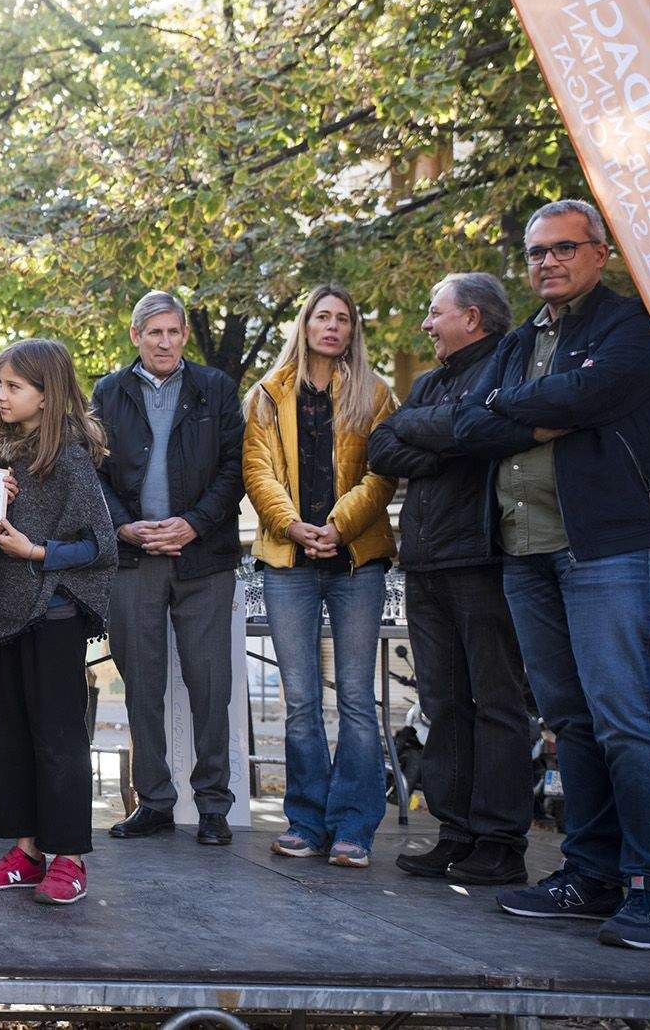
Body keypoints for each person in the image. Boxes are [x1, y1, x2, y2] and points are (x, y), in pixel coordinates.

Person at [454, 199, 650, 950]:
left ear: (600, 253)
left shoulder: (633, 322)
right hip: (527, 551)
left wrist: (527, 406)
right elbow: (468, 421)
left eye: (562, 249)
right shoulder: (522, 340)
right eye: (535, 253)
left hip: (610, 549)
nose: (547, 262)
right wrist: (528, 408)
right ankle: (591, 875)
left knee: (628, 721)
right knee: (571, 724)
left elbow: (594, 393)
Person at [367, 273, 533, 885]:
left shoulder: (510, 363)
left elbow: (491, 430)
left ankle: (500, 841)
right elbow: (381, 445)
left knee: (497, 703)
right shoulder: (431, 383)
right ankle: (455, 832)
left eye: (435, 313)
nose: (427, 325)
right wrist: (446, 443)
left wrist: (438, 432)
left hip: (483, 559)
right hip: (426, 560)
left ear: (474, 317)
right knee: (442, 705)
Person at [243, 284, 396, 869]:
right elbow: (257, 471)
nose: (333, 327)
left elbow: (383, 474)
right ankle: (306, 822)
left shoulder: (376, 394)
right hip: (288, 564)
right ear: (304, 325)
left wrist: (335, 525)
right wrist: (293, 525)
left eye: (344, 320)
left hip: (357, 560)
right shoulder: (265, 395)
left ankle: (354, 827)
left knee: (357, 699)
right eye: (322, 317)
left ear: (353, 331)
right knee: (302, 699)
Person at [0, 340, 117, 905]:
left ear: (46, 395)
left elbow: (101, 547)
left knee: (58, 740)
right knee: (9, 739)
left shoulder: (70, 458)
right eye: (0, 385)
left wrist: (35, 551)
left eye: (13, 387)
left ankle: (69, 857)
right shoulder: (5, 457)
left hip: (53, 616)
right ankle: (27, 852)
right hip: (5, 613)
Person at [91, 291, 244, 845]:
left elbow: (235, 468)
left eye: (173, 331)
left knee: (210, 684)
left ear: (183, 335)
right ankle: (153, 800)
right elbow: (94, 471)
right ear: (135, 336)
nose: (164, 341)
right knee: (142, 685)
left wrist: (194, 523)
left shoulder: (216, 389)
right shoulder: (109, 392)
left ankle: (213, 805)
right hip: (134, 555)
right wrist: (122, 526)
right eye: (153, 332)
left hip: (202, 556)